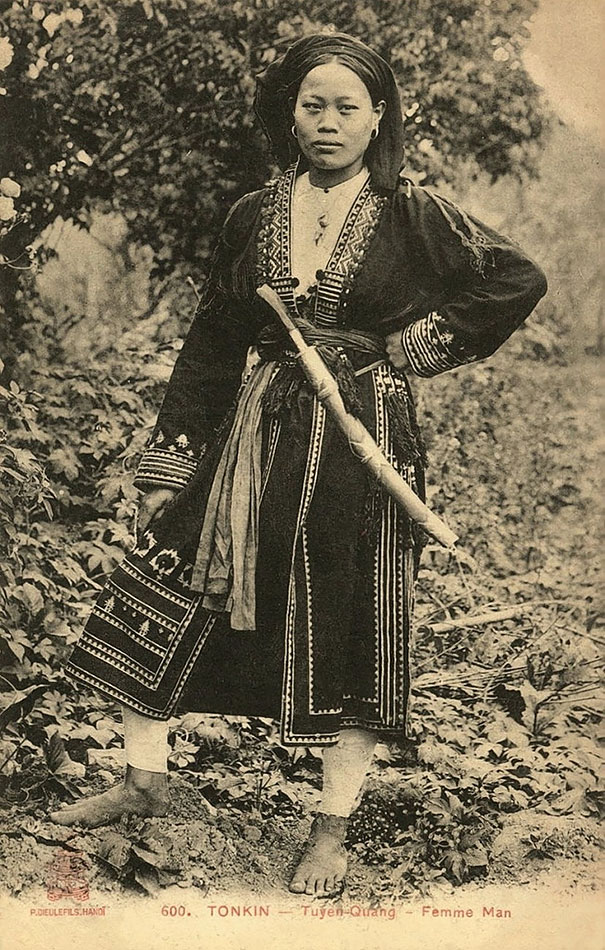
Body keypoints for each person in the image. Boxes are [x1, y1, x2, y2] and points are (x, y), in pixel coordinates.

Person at [50, 32, 547, 898]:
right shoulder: (253, 213)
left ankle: (329, 827)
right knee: (164, 574)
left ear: (377, 118)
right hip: (255, 430)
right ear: (290, 113)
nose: (327, 122)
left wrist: (418, 344)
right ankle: (143, 776)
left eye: (346, 107)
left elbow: (514, 278)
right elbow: (211, 340)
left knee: (348, 612)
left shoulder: (412, 212)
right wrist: (169, 461)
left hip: (360, 438)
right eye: (311, 104)